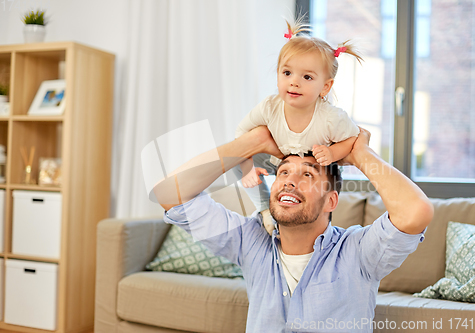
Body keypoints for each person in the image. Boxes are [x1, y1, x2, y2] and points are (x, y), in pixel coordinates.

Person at [153, 125, 434, 333]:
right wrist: (250, 143)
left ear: (331, 201)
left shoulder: (358, 252)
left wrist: (361, 154)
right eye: (284, 171)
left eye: (308, 174)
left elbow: (415, 212)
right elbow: (171, 196)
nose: (289, 180)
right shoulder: (250, 241)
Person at [234, 19, 363, 235]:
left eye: (307, 77)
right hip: (281, 158)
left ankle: (317, 231)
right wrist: (248, 167)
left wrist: (332, 152)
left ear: (325, 86)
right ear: (278, 76)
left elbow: (353, 139)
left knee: (312, 197)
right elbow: (241, 135)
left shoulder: (331, 117)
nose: (294, 82)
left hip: (312, 168)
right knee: (235, 159)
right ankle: (265, 209)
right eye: (287, 73)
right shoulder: (269, 107)